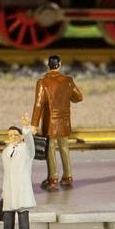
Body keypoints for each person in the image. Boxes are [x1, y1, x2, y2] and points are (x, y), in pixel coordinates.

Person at [30, 55, 82, 190]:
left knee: (50, 149)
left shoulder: (43, 82)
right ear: (59, 65)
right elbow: (78, 97)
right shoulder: (68, 81)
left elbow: (38, 104)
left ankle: (53, 178)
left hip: (51, 122)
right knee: (64, 148)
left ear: (48, 65)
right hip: (64, 120)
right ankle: (68, 176)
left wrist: (34, 124)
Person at [0, 124, 35, 229]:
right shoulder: (6, 151)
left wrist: (26, 129)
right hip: (9, 192)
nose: (13, 138)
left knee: (24, 227)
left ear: (21, 136)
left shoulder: (27, 150)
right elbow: (6, 174)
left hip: (22, 192)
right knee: (7, 226)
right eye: (10, 135)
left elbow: (30, 141)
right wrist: (4, 192)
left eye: (16, 135)